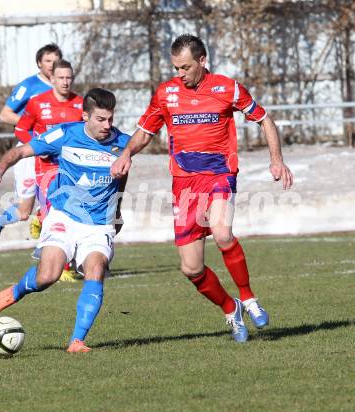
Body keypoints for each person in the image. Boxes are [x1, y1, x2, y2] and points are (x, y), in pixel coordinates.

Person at [111, 34, 293, 343]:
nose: (179, 75)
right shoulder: (165, 93)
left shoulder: (228, 88)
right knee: (191, 268)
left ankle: (248, 298)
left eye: (185, 67)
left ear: (202, 61)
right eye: (175, 68)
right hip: (184, 184)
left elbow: (264, 119)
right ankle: (230, 308)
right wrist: (127, 153)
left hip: (220, 174)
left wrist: (276, 160)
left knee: (222, 232)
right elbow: (145, 133)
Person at [0, 88, 130, 353]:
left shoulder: (123, 143)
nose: (108, 126)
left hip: (98, 224)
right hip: (64, 215)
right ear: (85, 116)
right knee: (48, 276)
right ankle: (16, 291)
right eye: (100, 119)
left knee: (95, 270)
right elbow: (19, 153)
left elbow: (122, 175)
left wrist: (117, 211)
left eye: (110, 119)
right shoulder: (65, 134)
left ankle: (77, 341)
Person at [0, 43, 62, 249]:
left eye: (56, 61)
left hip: (55, 154)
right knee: (23, 211)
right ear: (39, 63)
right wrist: (32, 122)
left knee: (60, 201)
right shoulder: (29, 85)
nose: (52, 65)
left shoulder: (63, 89)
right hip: (28, 151)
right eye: (48, 61)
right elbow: (5, 114)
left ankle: (59, 256)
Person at [14, 58, 84, 282]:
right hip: (46, 168)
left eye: (69, 78)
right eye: (61, 78)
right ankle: (62, 265)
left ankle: (42, 222)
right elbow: (21, 128)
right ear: (51, 79)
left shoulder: (81, 104)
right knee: (57, 209)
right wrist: (37, 148)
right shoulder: (37, 102)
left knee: (74, 211)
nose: (65, 82)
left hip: (72, 168)